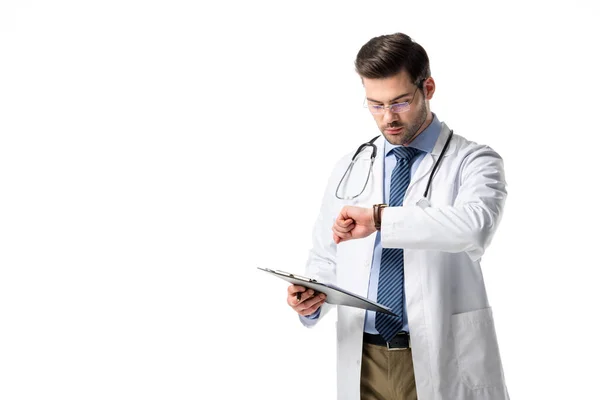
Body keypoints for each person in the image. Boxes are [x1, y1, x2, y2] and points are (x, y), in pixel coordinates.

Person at [286, 33, 510, 400]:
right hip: (364, 359)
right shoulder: (352, 166)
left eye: (400, 102)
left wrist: (379, 220)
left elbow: (474, 227)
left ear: (429, 88)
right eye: (375, 105)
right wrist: (311, 296)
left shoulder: (474, 161)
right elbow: (327, 256)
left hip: (442, 357)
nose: (387, 118)